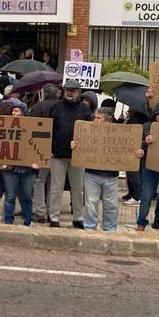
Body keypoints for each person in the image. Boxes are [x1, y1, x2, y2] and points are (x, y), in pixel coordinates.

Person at [74, 107, 144, 232]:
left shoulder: (118, 133)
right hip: (91, 174)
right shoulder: (88, 131)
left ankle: (110, 229)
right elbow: (80, 145)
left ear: (107, 120)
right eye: (95, 118)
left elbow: (130, 148)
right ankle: (89, 228)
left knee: (111, 205)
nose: (95, 120)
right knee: (90, 204)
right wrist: (75, 146)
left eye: (98, 118)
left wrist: (138, 152)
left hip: (111, 176)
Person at [0, 99, 37, 226]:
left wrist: (36, 162)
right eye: (13, 111)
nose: (14, 113)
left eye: (17, 111)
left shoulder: (32, 127)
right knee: (10, 195)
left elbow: (37, 146)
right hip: (10, 169)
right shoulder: (5, 127)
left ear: (24, 113)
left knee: (27, 197)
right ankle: (8, 220)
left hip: (27, 169)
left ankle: (28, 220)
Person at [48, 80, 92, 228]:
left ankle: (78, 217)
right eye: (67, 90)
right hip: (58, 155)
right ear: (63, 91)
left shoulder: (85, 110)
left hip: (78, 156)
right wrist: (50, 148)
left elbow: (90, 132)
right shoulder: (56, 107)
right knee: (56, 188)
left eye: (72, 90)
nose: (69, 92)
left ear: (78, 92)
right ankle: (54, 217)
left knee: (78, 189)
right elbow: (49, 128)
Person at [29, 84, 60, 223]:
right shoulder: (62, 107)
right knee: (53, 183)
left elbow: (31, 128)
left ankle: (40, 211)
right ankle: (51, 211)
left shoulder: (38, 107)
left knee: (39, 181)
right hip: (58, 151)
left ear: (44, 93)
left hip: (41, 149)